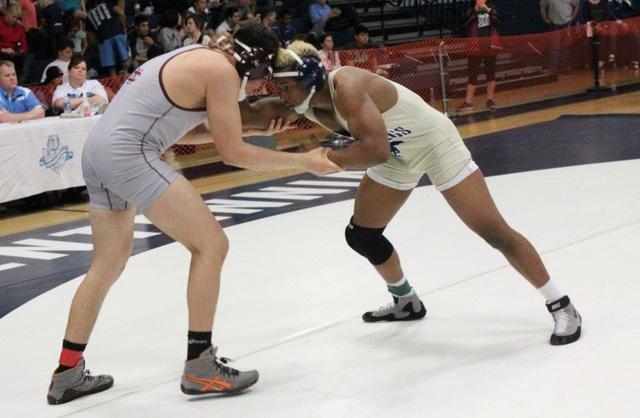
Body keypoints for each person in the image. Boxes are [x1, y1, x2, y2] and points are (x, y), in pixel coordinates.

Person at [46, 24, 339, 405]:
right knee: (212, 245)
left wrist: (240, 127)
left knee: (107, 264)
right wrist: (304, 161)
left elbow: (181, 130)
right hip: (127, 154)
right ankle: (200, 366)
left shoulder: (201, 58)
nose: (258, 88)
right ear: (253, 63)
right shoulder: (221, 71)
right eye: (262, 79)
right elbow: (233, 155)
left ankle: (67, 373)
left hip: (99, 150)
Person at [268, 41, 582, 346]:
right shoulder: (300, 102)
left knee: (494, 232)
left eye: (284, 86)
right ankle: (406, 301)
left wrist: (326, 160)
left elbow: (375, 150)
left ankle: (561, 304)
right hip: (395, 151)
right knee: (363, 235)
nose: (279, 94)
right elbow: (246, 115)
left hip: (432, 144)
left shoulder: (346, 84)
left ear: (309, 79)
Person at [457, 0, 501, 112]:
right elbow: (464, 25)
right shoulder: (471, 10)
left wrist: (488, 11)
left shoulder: (492, 9)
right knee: (472, 73)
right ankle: (468, 102)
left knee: (490, 72)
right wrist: (475, 14)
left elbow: (499, 23)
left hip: (490, 46)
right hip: (475, 47)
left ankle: (490, 100)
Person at [540, 0, 581, 74]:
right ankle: (553, 68)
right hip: (554, 25)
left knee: (566, 46)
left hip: (567, 24)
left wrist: (572, 17)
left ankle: (565, 67)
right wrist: (545, 18)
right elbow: (542, 7)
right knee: (554, 46)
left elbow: (577, 5)